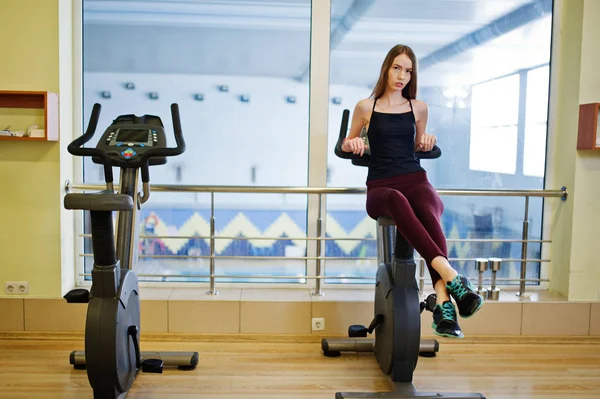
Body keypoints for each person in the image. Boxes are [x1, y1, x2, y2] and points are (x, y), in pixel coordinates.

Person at [341, 44, 484, 338]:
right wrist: (352, 144)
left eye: (408, 71)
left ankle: (444, 304)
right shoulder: (366, 107)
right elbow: (347, 141)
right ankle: (454, 280)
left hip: (415, 178)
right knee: (397, 199)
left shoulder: (418, 108)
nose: (402, 76)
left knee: (429, 208)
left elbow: (419, 144)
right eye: (397, 68)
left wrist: (427, 140)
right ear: (386, 68)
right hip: (382, 186)